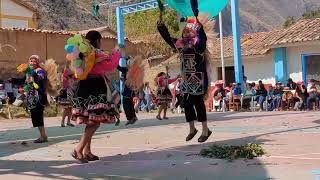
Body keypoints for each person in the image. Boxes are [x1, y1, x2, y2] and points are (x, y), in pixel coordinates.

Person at [157, 12, 212, 142]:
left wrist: (200, 28)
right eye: (184, 31)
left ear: (194, 33)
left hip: (198, 79)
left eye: (189, 31)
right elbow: (168, 38)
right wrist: (161, 27)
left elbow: (203, 39)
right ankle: (192, 128)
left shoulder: (198, 46)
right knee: (186, 103)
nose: (186, 33)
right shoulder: (180, 45)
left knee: (198, 103)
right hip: (187, 80)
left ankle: (205, 129)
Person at [69, 31, 122, 163]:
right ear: (98, 40)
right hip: (95, 89)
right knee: (94, 122)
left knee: (90, 120)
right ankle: (78, 149)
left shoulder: (82, 53)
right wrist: (117, 51)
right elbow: (110, 65)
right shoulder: (97, 53)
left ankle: (87, 152)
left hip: (84, 88)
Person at [23, 55, 49, 143]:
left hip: (39, 96)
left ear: (38, 62)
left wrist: (32, 73)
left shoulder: (40, 71)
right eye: (31, 61)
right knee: (35, 116)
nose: (32, 63)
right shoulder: (30, 72)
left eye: (34, 61)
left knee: (38, 115)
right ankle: (43, 135)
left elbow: (41, 78)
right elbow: (27, 83)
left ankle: (43, 136)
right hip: (32, 97)